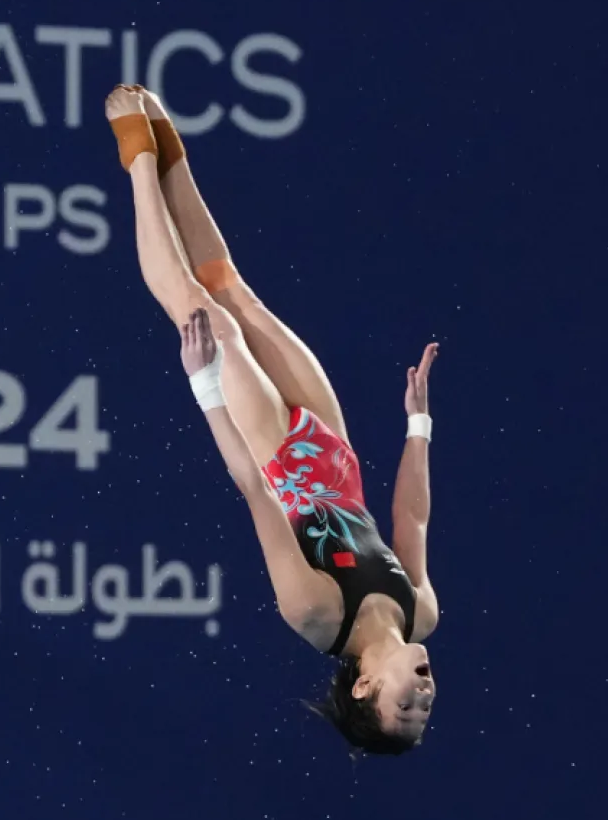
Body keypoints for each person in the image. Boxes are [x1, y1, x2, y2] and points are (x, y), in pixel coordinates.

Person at [104, 84, 440, 754]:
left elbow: (255, 492)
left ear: (365, 688)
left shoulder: (317, 617)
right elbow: (412, 520)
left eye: (406, 708)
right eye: (427, 711)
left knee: (207, 317)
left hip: (277, 454)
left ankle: (137, 159)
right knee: (235, 291)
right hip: (333, 446)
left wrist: (206, 387)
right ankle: (174, 159)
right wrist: (417, 428)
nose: (424, 698)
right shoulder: (421, 613)